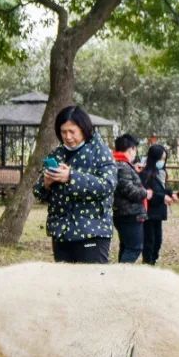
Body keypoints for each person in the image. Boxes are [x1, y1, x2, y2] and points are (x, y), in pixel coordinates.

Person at [33, 105, 117, 263]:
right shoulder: (57, 154)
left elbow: (107, 185)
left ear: (84, 129)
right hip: (61, 233)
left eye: (72, 131)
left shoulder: (100, 152)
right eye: (63, 132)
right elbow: (38, 193)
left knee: (91, 284)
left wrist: (72, 177)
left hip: (92, 232)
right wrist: (46, 183)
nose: (68, 137)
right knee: (65, 286)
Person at [111, 134, 150, 263]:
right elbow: (129, 190)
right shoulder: (122, 166)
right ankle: (121, 275)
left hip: (122, 213)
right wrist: (145, 193)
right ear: (131, 149)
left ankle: (120, 276)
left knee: (126, 246)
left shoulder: (116, 164)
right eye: (135, 150)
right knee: (134, 248)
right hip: (130, 214)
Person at [140, 144, 176, 265]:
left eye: (164, 159)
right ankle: (147, 263)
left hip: (159, 213)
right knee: (149, 241)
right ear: (154, 158)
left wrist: (171, 194)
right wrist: (162, 197)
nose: (162, 162)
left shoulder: (162, 173)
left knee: (158, 241)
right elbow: (149, 193)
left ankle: (152, 262)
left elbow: (162, 189)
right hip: (149, 213)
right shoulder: (145, 174)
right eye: (161, 158)